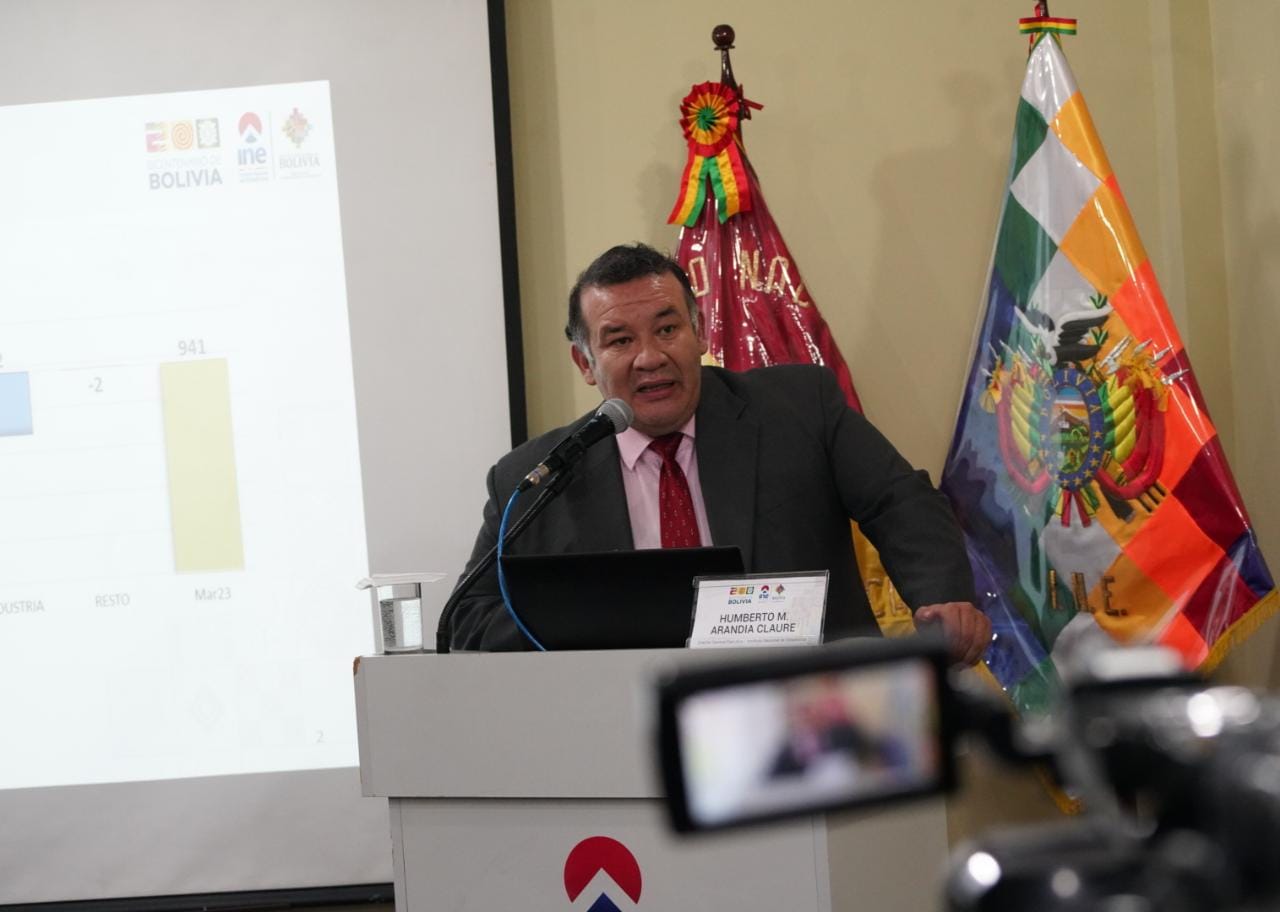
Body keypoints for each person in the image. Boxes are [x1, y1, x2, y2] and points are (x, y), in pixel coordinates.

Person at [448, 243, 990, 663]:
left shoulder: (800, 409)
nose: (650, 357)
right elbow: (467, 620)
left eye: (667, 329)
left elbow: (900, 501)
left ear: (700, 332)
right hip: (624, 728)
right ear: (585, 363)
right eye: (619, 340)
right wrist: (586, 615)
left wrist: (944, 596)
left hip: (813, 706)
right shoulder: (534, 477)